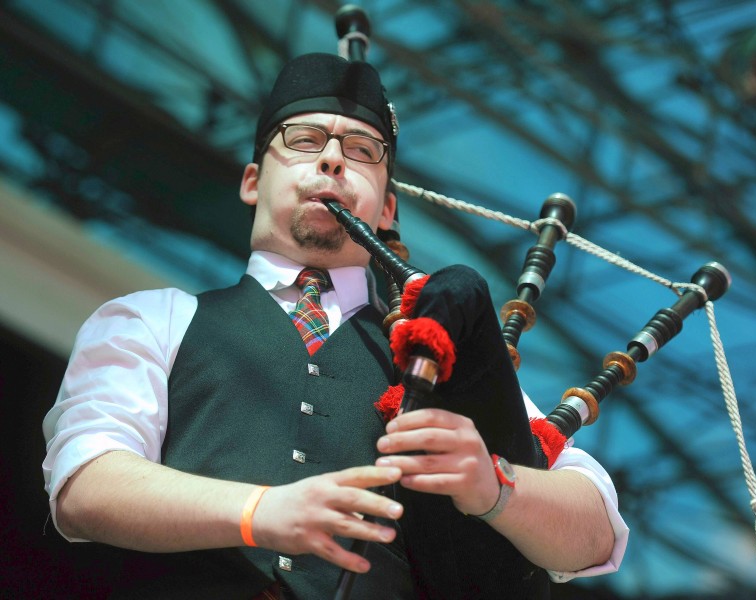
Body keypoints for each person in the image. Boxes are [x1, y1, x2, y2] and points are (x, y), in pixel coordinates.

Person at [42, 52, 628, 599]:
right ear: (252, 181)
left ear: (388, 208)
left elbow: (596, 532)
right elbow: (85, 485)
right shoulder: (152, 320)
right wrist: (259, 512)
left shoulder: (436, 350)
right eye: (303, 140)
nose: (332, 158)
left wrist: (494, 486)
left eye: (362, 149)